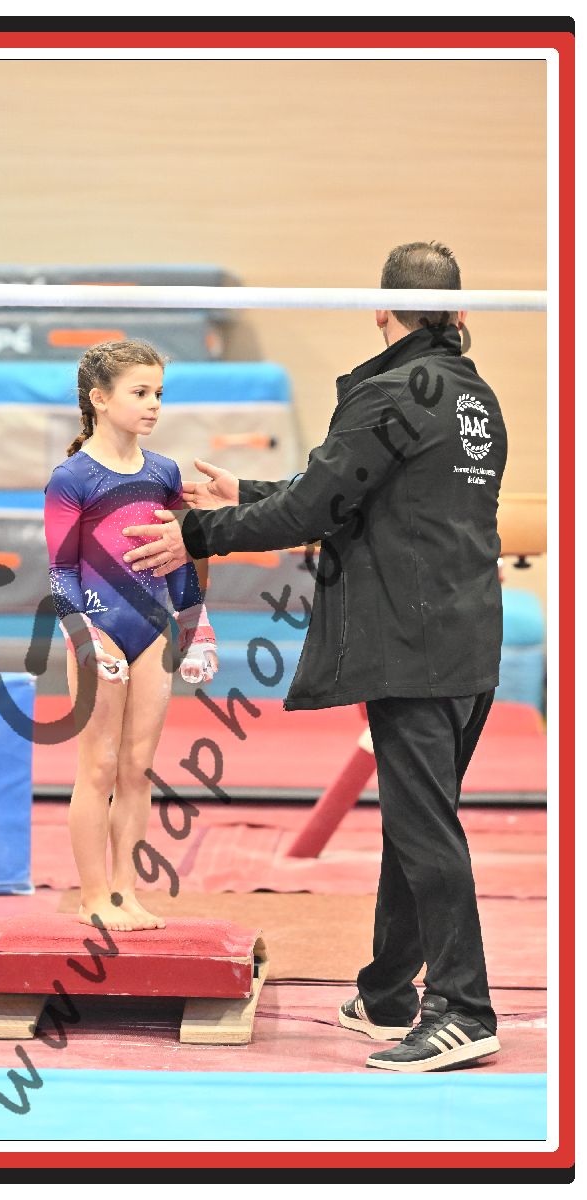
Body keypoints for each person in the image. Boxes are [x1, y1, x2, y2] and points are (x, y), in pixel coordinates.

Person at [121, 242, 507, 1071]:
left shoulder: (390, 393)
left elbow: (317, 510)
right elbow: (359, 496)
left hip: (412, 642)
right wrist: (249, 494)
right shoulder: (476, 398)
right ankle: (388, 993)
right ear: (460, 311)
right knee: (417, 821)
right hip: (469, 637)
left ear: (381, 308)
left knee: (424, 827)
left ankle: (464, 1009)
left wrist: (198, 533)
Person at [44, 340, 218, 934]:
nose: (153, 405)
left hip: (152, 632)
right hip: (97, 629)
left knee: (138, 769)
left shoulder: (162, 472)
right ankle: (92, 895)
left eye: (158, 393)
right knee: (98, 766)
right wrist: (82, 635)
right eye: (139, 393)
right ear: (99, 398)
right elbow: (60, 571)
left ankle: (125, 892)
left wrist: (197, 626)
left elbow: (176, 559)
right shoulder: (72, 478)